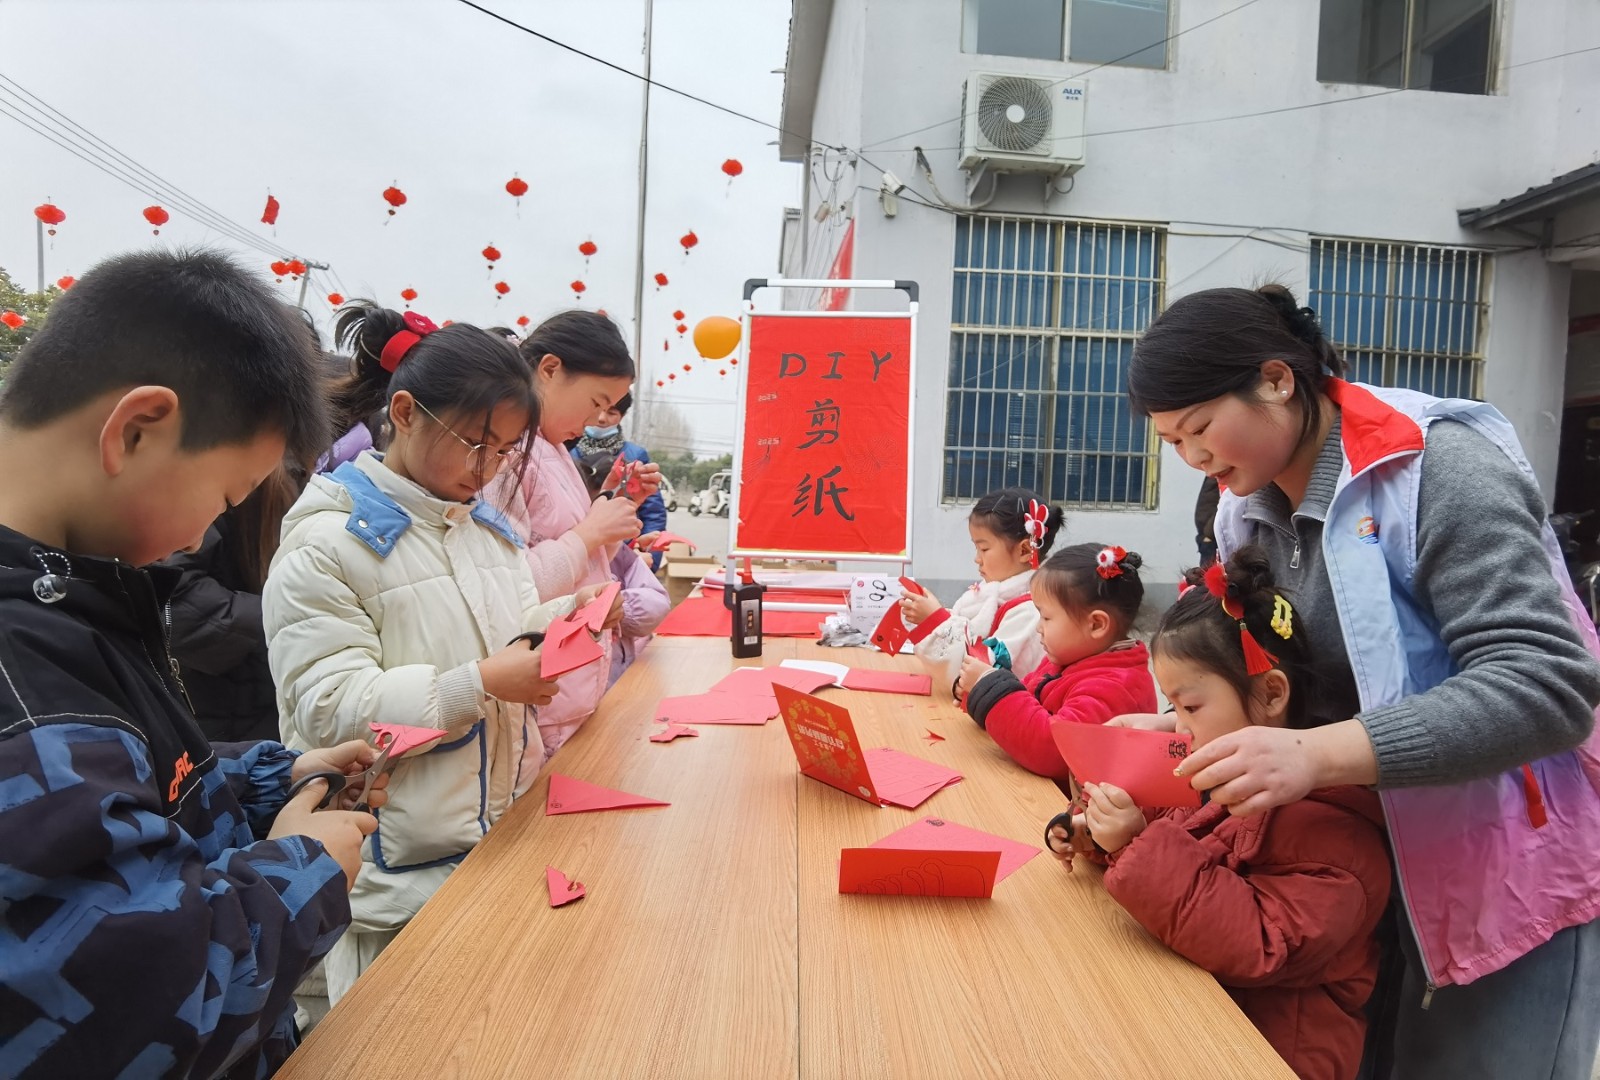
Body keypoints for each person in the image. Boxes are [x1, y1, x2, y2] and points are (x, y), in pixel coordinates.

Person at [1127, 283, 1600, 1079]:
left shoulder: (1435, 470)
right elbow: (1271, 672)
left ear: (1277, 380)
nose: (1195, 459)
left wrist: (1318, 755)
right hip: (1357, 861)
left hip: (1500, 859)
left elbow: (1545, 684)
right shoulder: (1245, 505)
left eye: (1201, 429)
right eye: (1173, 442)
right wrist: (1181, 720)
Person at [0, 249, 384, 1078]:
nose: (201, 535)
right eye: (224, 498)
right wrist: (303, 868)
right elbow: (147, 1011)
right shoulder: (23, 673)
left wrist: (266, 781)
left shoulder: (67, 595)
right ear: (137, 428)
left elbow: (112, 788)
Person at [264, 302, 602, 1003]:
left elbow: (505, 630)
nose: (488, 468)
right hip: (391, 874)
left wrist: (566, 619)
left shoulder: (484, 530)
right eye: (476, 443)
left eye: (505, 451)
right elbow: (328, 713)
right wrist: (481, 683)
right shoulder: (329, 543)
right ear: (406, 413)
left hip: (495, 842)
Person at [1050, 547, 1390, 1080]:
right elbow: (1165, 848)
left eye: (1190, 707)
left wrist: (1133, 844)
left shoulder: (1334, 832)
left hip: (1267, 1052)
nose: (1177, 727)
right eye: (1172, 707)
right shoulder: (1211, 773)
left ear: (1271, 693)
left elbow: (1259, 944)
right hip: (1194, 1017)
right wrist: (1093, 830)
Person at [492, 311, 669, 769]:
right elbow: (503, 588)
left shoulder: (551, 448)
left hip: (570, 688)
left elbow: (587, 561)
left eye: (610, 409)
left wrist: (616, 503)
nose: (596, 420)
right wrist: (591, 531)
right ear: (550, 369)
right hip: (540, 694)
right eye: (596, 402)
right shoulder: (509, 454)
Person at [960, 543, 1156, 782]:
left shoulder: (1115, 687)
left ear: (1096, 625)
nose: (1038, 627)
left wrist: (990, 690)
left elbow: (1052, 749)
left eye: (1046, 617)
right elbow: (1025, 700)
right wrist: (981, 693)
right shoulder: (1070, 659)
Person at [160, 462, 305, 742]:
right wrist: (280, 616)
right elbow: (172, 595)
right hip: (224, 708)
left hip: (273, 698)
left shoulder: (318, 470)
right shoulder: (228, 468)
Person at [899, 487, 1063, 698]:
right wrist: (932, 617)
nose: (977, 558)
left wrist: (936, 620)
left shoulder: (1032, 611)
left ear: (1025, 551)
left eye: (984, 549)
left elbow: (981, 674)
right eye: (976, 548)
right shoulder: (995, 595)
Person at [572, 392, 669, 570]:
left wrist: (647, 563)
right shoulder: (567, 450)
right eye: (599, 409)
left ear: (622, 416)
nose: (602, 418)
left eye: (611, 413)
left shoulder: (635, 455)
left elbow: (653, 512)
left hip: (623, 550)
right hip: (578, 546)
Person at [1195, 474, 1220, 566]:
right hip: (1205, 536)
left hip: (1211, 538)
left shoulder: (1222, 474)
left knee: (1207, 570)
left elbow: (1223, 506)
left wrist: (1209, 534)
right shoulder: (1212, 474)